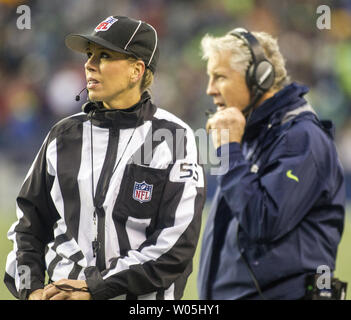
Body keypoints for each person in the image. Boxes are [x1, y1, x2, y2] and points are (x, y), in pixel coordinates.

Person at [4, 15, 205, 300]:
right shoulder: (62, 136)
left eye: (105, 55)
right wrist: (31, 291)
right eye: (89, 55)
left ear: (137, 70)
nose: (89, 63)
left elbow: (174, 250)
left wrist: (94, 289)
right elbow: (28, 227)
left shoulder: (174, 139)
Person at [197, 28, 345, 300]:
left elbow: (262, 221)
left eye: (219, 77)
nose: (210, 89)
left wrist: (229, 148)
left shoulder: (301, 138)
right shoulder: (253, 136)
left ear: (260, 78)